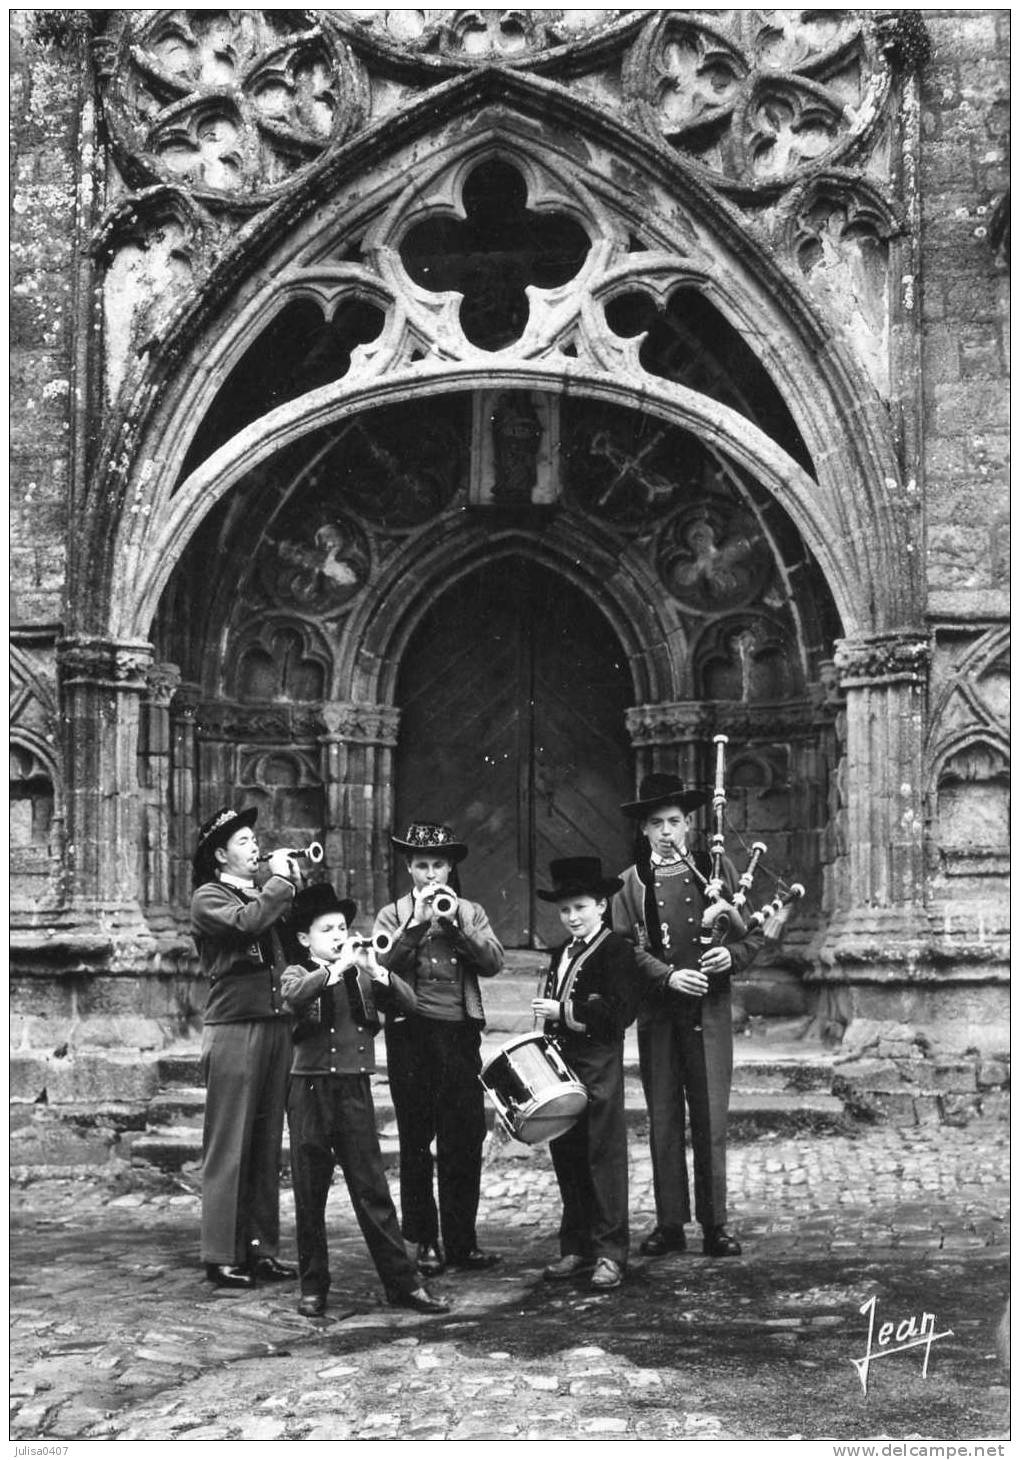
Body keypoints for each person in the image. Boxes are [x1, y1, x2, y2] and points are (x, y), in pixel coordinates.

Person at [611, 773, 763, 1259]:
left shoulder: (716, 873)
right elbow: (621, 950)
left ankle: (715, 1224)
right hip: (659, 1013)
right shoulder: (629, 884)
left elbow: (753, 935)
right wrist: (665, 976)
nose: (666, 832)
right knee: (663, 1119)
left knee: (710, 1116)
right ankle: (669, 1222)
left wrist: (730, 959)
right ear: (643, 830)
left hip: (709, 1013)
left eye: (675, 821)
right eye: (656, 823)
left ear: (690, 824)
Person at [280, 883, 450, 1318]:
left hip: (353, 1091)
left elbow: (410, 1004)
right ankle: (313, 1286)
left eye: (342, 928)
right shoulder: (298, 972)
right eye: (327, 930)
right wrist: (334, 970)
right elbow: (296, 998)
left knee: (372, 1190)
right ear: (305, 939)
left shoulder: (360, 974)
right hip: (310, 1091)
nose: (338, 936)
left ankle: (403, 1285)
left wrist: (376, 970)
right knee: (309, 1192)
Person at [373, 822, 504, 1277]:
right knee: (415, 1139)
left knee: (463, 1138)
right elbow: (380, 964)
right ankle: (423, 1239)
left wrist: (456, 927)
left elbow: (494, 962)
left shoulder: (469, 910)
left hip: (458, 1033)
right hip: (411, 1034)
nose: (431, 875)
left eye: (438, 865)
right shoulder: (392, 914)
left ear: (450, 868)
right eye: (422, 865)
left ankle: (462, 1243)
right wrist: (416, 925)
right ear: (409, 867)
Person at [190, 805, 300, 1290]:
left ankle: (260, 1248)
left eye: (255, 839)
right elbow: (245, 925)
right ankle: (220, 1253)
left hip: (275, 1025)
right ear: (220, 854)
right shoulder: (209, 896)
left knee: (263, 1144)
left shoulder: (261, 892)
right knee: (229, 1143)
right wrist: (278, 884)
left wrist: (289, 883)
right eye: (243, 842)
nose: (254, 847)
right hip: (235, 1027)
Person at [531, 857, 644, 1291]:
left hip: (598, 1065)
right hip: (562, 1064)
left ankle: (611, 1253)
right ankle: (575, 1247)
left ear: (601, 905)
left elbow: (621, 1013)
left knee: (603, 1156)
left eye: (580, 908)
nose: (572, 917)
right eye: (565, 911)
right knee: (568, 1154)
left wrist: (566, 1011)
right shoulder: (560, 952)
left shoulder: (616, 950)